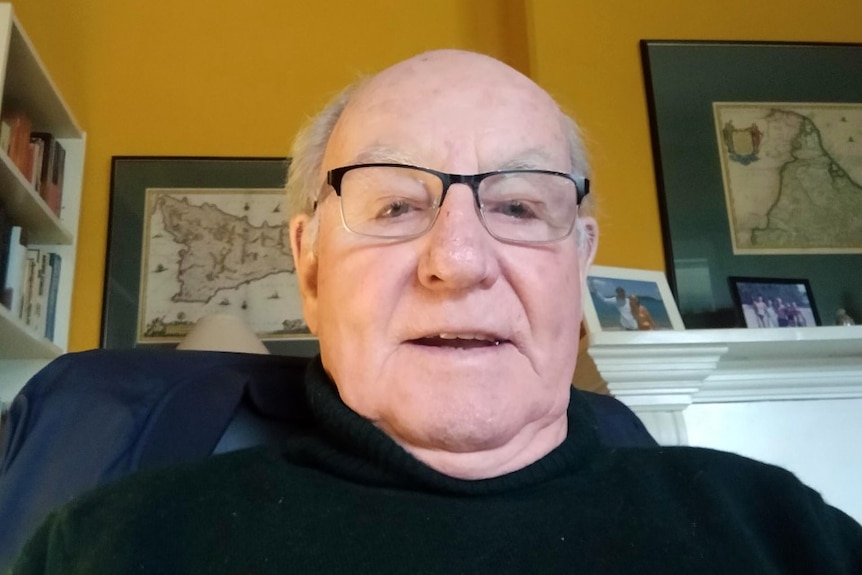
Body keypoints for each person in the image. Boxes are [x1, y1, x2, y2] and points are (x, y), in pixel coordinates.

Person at [11, 49, 862, 573]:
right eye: (393, 207)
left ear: (580, 261)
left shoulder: (787, 535)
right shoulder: (105, 546)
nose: (458, 262)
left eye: (522, 207)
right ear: (309, 266)